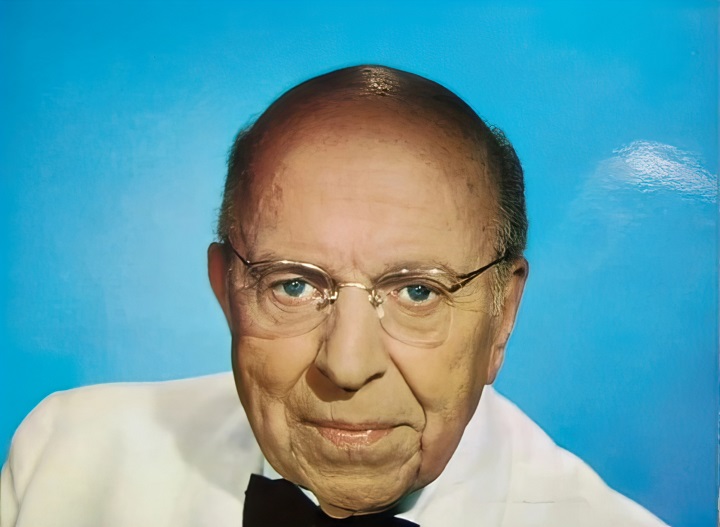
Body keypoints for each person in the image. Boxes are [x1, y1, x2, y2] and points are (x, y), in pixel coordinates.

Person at [0, 65, 668, 527]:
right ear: (228, 292)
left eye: (417, 291)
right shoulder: (64, 459)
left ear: (502, 316)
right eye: (292, 285)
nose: (347, 367)